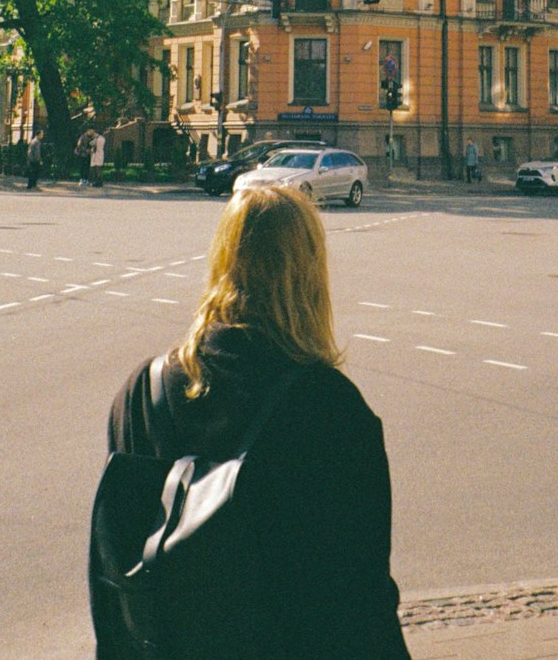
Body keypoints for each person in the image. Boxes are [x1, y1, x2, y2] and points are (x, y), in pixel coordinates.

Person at [95, 185, 410, 659]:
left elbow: (114, 565)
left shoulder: (144, 391)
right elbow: (360, 601)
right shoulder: (331, 410)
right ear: (309, 275)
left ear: (221, 260)